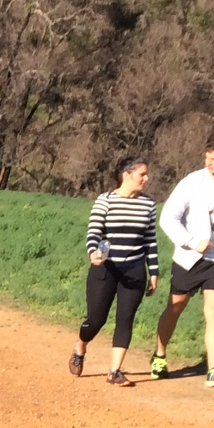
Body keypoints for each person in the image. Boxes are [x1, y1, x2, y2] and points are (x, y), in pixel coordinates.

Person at [153, 132, 214, 388]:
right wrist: (190, 241)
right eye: (206, 156)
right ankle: (160, 356)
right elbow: (168, 218)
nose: (208, 162)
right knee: (176, 307)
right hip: (190, 258)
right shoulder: (192, 182)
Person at [70, 155, 159, 386]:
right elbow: (94, 232)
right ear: (126, 175)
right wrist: (93, 252)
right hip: (106, 268)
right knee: (96, 319)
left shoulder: (148, 205)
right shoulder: (105, 200)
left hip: (135, 269)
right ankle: (81, 345)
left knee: (125, 319)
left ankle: (114, 371)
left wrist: (154, 271)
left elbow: (150, 240)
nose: (146, 179)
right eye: (142, 174)